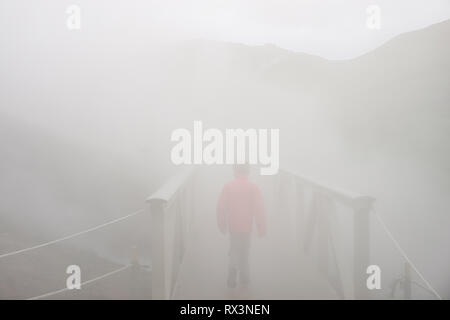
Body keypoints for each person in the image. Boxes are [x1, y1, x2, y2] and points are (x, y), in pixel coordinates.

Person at [216, 164, 266, 289]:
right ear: (248, 172)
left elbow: (221, 207)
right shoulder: (253, 187)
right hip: (247, 226)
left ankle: (232, 277)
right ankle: (245, 277)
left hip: (233, 225)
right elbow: (259, 208)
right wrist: (261, 227)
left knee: (234, 249)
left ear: (234, 171)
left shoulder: (228, 186)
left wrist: (222, 224)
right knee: (245, 250)